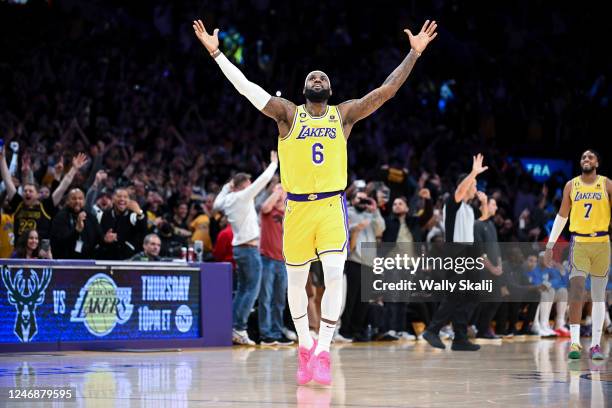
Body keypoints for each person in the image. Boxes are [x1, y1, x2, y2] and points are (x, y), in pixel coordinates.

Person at [194, 16, 437, 385]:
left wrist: (413, 56)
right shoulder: (287, 114)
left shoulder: (344, 115)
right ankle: (304, 345)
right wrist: (217, 55)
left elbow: (385, 91)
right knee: (296, 282)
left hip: (330, 207)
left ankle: (323, 350)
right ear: (304, 87)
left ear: (331, 87)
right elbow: (247, 89)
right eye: (312, 77)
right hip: (296, 209)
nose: (318, 78)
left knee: (335, 274)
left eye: (323, 76)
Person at [545, 149, 610, 360]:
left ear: (597, 162)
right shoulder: (571, 185)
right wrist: (550, 245)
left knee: (599, 295)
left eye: (590, 157)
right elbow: (562, 216)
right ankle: (574, 343)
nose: (586, 159)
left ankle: (595, 346)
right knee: (577, 288)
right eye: (583, 157)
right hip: (579, 242)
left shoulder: (607, 184)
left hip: (602, 242)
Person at [422, 154, 488, 351]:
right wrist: (473, 172)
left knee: (471, 295)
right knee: (455, 294)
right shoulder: (453, 204)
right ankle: (432, 330)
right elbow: (460, 190)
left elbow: (484, 216)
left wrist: (484, 202)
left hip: (467, 252)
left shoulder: (468, 208)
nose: (475, 188)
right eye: (473, 184)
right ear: (465, 185)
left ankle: (460, 337)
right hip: (455, 251)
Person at [213, 151, 279, 346]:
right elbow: (264, 180)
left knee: (243, 290)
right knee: (252, 291)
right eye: (248, 185)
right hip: (249, 250)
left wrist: (227, 187)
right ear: (243, 187)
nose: (251, 187)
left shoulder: (228, 199)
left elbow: (216, 204)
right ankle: (239, 328)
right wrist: (273, 164)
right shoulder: (242, 197)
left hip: (240, 250)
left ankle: (233, 328)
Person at [1, 149, 88, 241]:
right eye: (25, 191)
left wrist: (74, 169)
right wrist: (2, 158)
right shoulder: (18, 203)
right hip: (20, 250)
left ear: (38, 195)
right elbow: (7, 180)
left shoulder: (46, 206)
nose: (27, 193)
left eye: (31, 191)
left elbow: (63, 187)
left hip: (40, 251)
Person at [258, 183, 294, 346]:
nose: (281, 194)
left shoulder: (289, 215)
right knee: (266, 297)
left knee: (279, 300)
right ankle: (266, 334)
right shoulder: (268, 212)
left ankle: (277, 332)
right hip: (267, 259)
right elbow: (265, 206)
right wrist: (277, 192)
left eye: (284, 192)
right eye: (279, 191)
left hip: (283, 262)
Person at [50, 188, 102, 259]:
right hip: (66, 261)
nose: (77, 201)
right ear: (67, 201)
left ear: (84, 201)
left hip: (87, 261)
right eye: (74, 198)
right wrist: (76, 231)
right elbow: (59, 242)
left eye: (80, 198)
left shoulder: (90, 217)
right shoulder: (60, 217)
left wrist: (105, 239)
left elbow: (99, 237)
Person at [98, 188, 148, 260]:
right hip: (107, 258)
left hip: (130, 259)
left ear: (129, 200)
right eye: (119, 196)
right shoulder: (104, 215)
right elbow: (98, 236)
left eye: (125, 197)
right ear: (113, 199)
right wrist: (104, 239)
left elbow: (144, 232)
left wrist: (139, 213)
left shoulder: (135, 215)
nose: (122, 199)